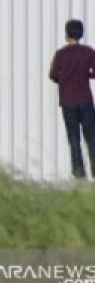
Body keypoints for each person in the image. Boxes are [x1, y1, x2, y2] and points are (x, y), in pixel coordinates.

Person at [49, 19, 95, 179]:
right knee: (91, 136)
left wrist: (64, 79)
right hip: (86, 100)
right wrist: (86, 75)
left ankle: (78, 171)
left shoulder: (61, 54)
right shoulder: (89, 52)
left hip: (68, 100)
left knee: (74, 137)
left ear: (67, 34)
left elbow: (53, 75)